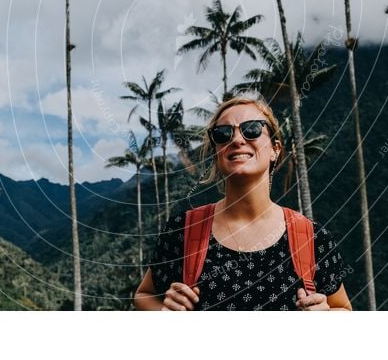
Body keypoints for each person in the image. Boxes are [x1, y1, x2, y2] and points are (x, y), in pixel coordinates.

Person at [134, 96, 352, 311]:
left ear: (275, 149)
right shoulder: (183, 230)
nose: (237, 140)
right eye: (223, 134)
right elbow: (144, 295)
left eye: (252, 129)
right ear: (217, 153)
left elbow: (343, 308)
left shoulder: (311, 237)